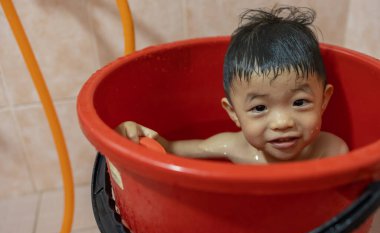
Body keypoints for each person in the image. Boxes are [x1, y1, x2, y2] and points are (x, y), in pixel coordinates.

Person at [115, 6, 348, 164]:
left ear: (323, 100)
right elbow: (171, 150)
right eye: (259, 108)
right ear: (234, 113)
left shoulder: (332, 152)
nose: (282, 122)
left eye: (299, 102)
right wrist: (137, 137)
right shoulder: (233, 147)